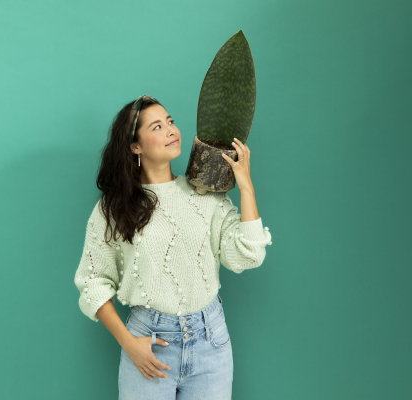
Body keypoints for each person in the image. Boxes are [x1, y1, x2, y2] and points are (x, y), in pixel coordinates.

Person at [73, 95, 273, 399]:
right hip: (149, 344)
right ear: (135, 146)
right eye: (157, 126)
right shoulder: (113, 208)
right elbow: (92, 281)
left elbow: (248, 255)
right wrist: (128, 343)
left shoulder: (204, 195)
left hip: (211, 341)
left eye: (171, 121)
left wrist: (246, 186)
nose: (171, 130)